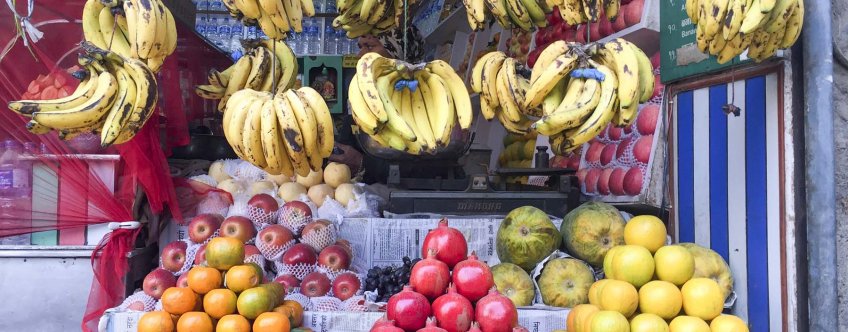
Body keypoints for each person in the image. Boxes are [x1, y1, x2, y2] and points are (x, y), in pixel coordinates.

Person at [329, 26, 425, 184]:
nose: (360, 55)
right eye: (360, 47)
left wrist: (364, 164)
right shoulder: (362, 95)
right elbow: (347, 146)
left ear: (398, 52)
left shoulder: (424, 102)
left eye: (370, 46)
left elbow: (429, 170)